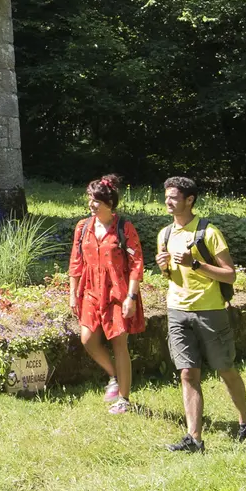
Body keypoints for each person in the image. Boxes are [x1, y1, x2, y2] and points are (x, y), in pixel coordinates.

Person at [155, 175, 246, 451]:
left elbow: (230, 276)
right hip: (177, 310)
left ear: (190, 200)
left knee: (225, 369)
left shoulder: (208, 232)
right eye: (167, 196)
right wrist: (163, 266)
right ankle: (194, 439)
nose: (168, 201)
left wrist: (195, 263)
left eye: (174, 197)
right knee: (187, 373)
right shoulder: (164, 234)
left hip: (210, 312)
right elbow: (171, 275)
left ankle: (245, 421)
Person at [68, 173, 145, 415]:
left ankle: (124, 398)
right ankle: (113, 375)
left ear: (109, 203)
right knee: (87, 339)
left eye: (96, 200)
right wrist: (72, 294)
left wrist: (131, 297)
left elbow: (136, 264)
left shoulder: (124, 228)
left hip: (117, 292)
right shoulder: (82, 228)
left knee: (119, 344)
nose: (91, 204)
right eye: (90, 198)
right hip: (90, 290)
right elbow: (75, 263)